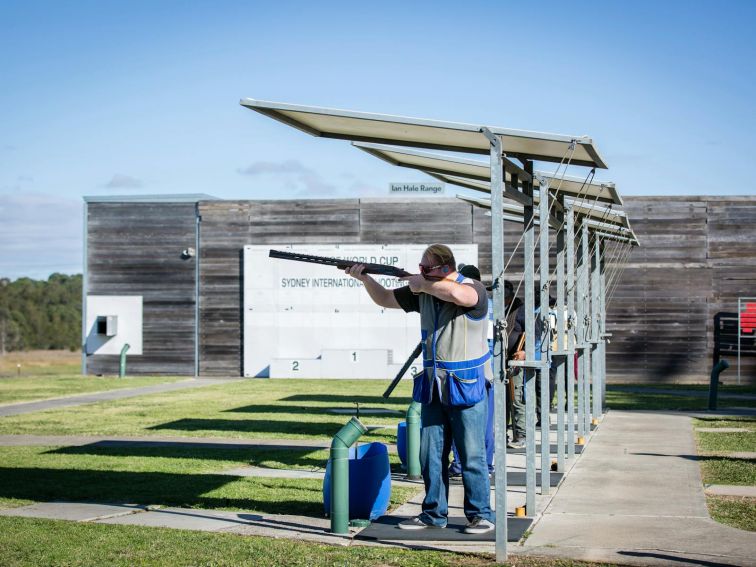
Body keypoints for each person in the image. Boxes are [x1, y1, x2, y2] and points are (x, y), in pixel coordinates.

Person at [345, 244, 494, 534]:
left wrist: (421, 283)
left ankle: (481, 515)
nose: (421, 272)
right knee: (430, 455)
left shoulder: (472, 288)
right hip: (434, 388)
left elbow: (457, 294)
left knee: (472, 455)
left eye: (426, 268)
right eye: (421, 268)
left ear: (445, 267)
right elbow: (386, 299)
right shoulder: (424, 291)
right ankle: (433, 514)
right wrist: (365, 279)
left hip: (468, 386)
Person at [448, 264, 494, 479]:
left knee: (463, 424)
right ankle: (487, 465)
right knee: (485, 424)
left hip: (467, 371)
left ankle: (460, 464)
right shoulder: (490, 304)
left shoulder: (466, 303)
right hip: (487, 370)